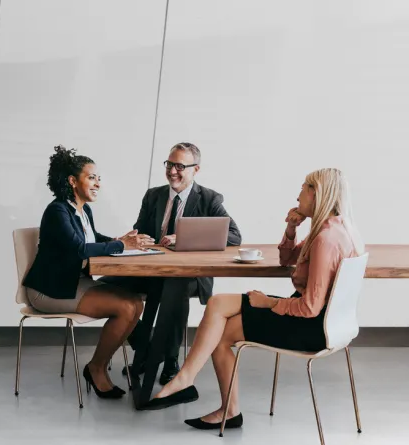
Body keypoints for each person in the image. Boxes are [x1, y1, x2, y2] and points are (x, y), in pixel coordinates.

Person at [146, 168, 365, 431]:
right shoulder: (337, 228)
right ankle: (186, 378)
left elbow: (309, 307)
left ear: (317, 194)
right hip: (329, 322)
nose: (298, 195)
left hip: (310, 326)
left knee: (223, 333)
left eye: (304, 187)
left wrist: (269, 303)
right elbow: (286, 259)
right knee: (217, 304)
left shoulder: (326, 240)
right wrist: (291, 227)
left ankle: (226, 408)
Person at [100, 142, 241, 385]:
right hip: (151, 269)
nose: (172, 171)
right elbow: (141, 230)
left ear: (195, 170)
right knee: (103, 287)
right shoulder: (153, 195)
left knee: (176, 290)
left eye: (180, 166)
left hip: (190, 275)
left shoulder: (209, 199)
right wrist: (133, 239)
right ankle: (149, 349)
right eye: (169, 164)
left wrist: (185, 237)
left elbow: (234, 237)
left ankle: (171, 361)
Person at [22, 145, 156, 399]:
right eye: (91, 177)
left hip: (73, 283)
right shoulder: (58, 211)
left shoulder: (83, 210)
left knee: (136, 302)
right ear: (73, 181)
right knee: (127, 308)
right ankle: (96, 368)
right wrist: (120, 245)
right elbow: (80, 249)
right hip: (49, 290)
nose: (98, 184)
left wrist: (121, 240)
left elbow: (93, 239)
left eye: (99, 179)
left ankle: (111, 362)